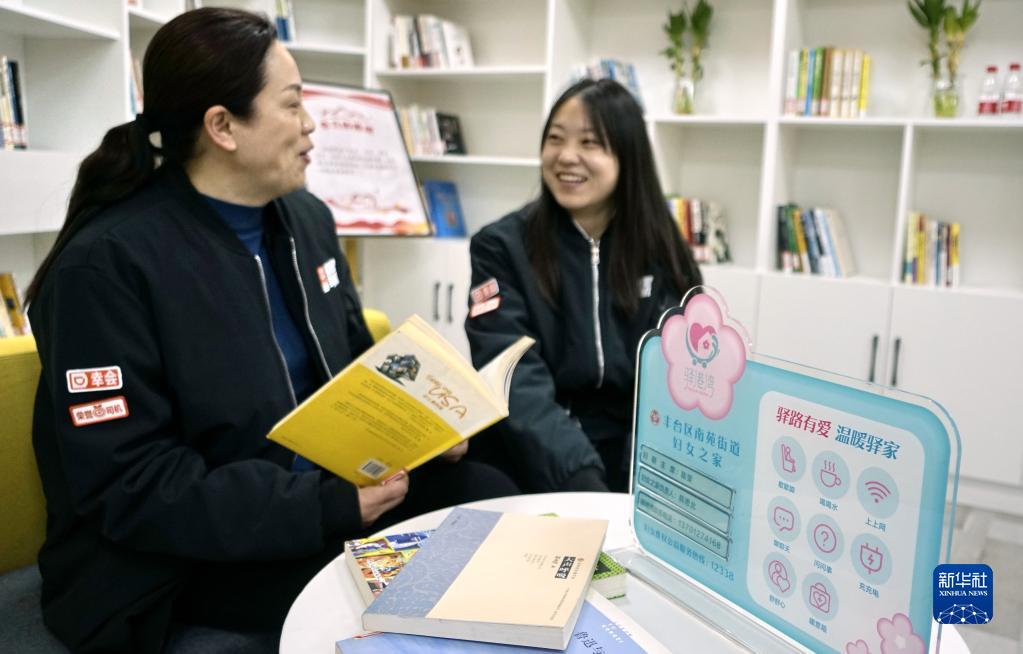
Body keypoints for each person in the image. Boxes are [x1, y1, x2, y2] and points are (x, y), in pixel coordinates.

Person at [24, 8, 516, 653]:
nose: (311, 123)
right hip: (180, 560)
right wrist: (323, 506)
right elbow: (133, 485)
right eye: (292, 104)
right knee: (387, 600)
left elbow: (358, 365)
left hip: (321, 496)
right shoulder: (105, 266)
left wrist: (429, 422)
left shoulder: (305, 219)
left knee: (489, 493)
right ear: (222, 126)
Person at [465, 78, 702, 494]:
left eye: (589, 142)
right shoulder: (501, 246)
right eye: (555, 139)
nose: (566, 156)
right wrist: (581, 476)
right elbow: (512, 375)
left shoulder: (662, 248)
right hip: (534, 454)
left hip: (634, 456)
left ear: (627, 155)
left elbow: (680, 373)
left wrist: (645, 471)